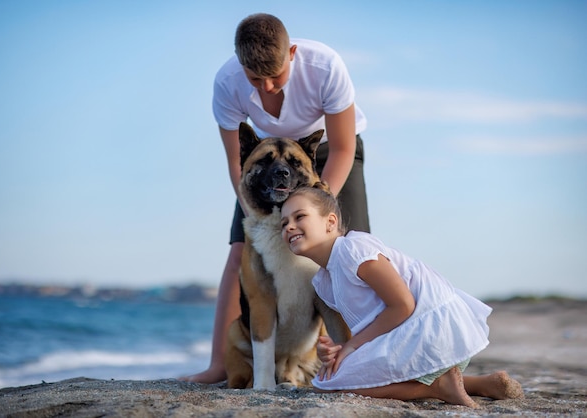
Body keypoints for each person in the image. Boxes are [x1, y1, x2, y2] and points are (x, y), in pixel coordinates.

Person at [180, 13, 371, 384]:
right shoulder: (227, 83)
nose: (266, 88)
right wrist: (259, 214)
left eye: (276, 76)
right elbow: (238, 165)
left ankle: (358, 359)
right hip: (264, 159)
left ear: (293, 53)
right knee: (240, 249)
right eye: (255, 79)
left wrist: (315, 205)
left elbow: (344, 148)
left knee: (351, 251)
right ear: (240, 67)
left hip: (326, 149)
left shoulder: (325, 66)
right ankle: (221, 363)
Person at [279, 187, 524, 407]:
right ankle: (483, 384)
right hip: (403, 334)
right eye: (283, 223)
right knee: (328, 377)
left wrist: (351, 347)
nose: (289, 226)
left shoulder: (353, 250)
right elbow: (371, 325)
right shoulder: (325, 281)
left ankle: (437, 387)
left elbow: (403, 305)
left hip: (431, 327)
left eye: (299, 216)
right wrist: (336, 351)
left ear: (330, 222)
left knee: (331, 384)